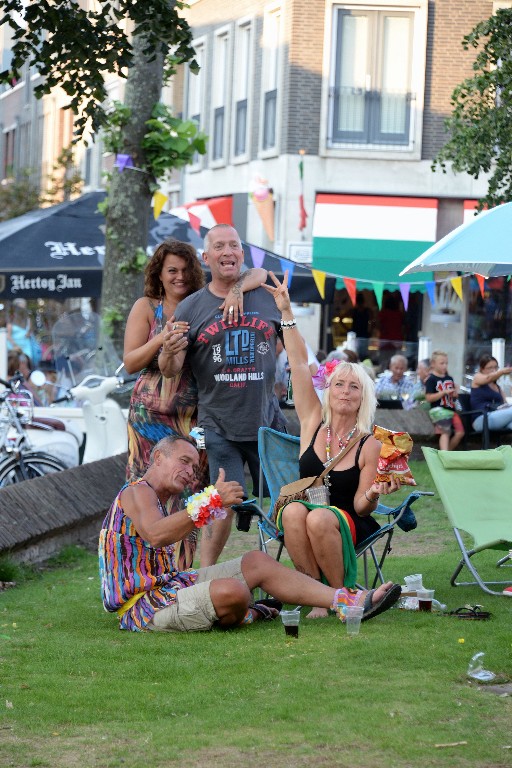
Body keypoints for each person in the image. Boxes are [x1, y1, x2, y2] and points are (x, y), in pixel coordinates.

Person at [98, 435, 401, 632]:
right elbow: (154, 535)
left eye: (194, 466)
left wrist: (218, 507)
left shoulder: (169, 502)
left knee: (256, 561)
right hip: (143, 607)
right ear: (157, 458)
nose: (190, 471)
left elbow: (183, 552)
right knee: (233, 592)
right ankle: (251, 611)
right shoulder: (137, 493)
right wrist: (210, 502)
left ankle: (348, 600)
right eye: (184, 461)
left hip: (173, 586)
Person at [263, 271, 401, 619]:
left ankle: (342, 598)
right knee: (294, 511)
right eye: (339, 384)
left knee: (320, 517)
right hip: (308, 513)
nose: (345, 392)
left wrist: (375, 493)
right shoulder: (313, 421)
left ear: (363, 398)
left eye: (354, 387)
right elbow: (296, 364)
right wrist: (287, 314)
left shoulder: (370, 444)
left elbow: (361, 506)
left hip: (348, 519)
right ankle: (318, 596)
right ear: (329, 391)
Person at [123, 239, 265, 570]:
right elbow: (130, 362)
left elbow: (259, 272)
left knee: (192, 494)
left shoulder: (206, 303)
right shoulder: (147, 307)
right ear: (159, 274)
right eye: (172, 270)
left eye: (187, 270)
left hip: (194, 417)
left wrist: (237, 290)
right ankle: (139, 569)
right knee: (145, 491)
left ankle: (185, 574)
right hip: (149, 417)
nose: (180, 277)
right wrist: (163, 336)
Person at [158, 224, 285, 567]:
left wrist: (239, 289)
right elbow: (171, 369)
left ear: (242, 254)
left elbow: (292, 346)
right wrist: (168, 351)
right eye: (219, 246)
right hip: (219, 426)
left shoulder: (267, 294)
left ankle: (300, 578)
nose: (228, 252)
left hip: (267, 423)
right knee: (220, 503)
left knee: (285, 502)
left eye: (234, 246)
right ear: (206, 257)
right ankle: (206, 576)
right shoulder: (191, 308)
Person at [424, 350, 465, 451]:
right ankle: (444, 455)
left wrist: (454, 394)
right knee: (445, 432)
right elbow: (428, 398)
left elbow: (453, 397)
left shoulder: (449, 378)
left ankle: (446, 454)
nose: (445, 366)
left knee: (460, 432)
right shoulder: (431, 379)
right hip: (439, 410)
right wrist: (443, 392)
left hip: (451, 409)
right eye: (442, 363)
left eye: (446, 363)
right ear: (433, 364)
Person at [470, 354, 512, 433]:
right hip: (481, 419)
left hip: (497, 416)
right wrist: (502, 372)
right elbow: (488, 378)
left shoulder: (498, 387)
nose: (494, 370)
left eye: (496, 367)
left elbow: (505, 404)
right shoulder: (477, 378)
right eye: (490, 368)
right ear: (482, 369)